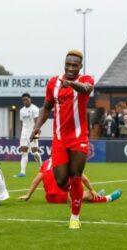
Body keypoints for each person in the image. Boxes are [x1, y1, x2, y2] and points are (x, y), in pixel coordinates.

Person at [30, 49, 94, 229]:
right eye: (68, 64)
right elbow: (46, 107)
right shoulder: (53, 83)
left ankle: (75, 217)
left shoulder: (86, 80)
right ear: (64, 64)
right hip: (59, 139)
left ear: (80, 67)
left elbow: (86, 89)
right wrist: (36, 127)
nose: (71, 68)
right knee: (60, 180)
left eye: (75, 65)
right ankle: (81, 196)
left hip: (78, 137)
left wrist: (70, 84)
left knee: (75, 177)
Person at [18, 159, 122, 204]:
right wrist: (92, 190)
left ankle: (92, 195)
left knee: (77, 189)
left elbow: (36, 180)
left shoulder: (46, 163)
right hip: (63, 197)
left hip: (49, 198)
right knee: (89, 194)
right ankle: (109, 198)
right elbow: (83, 178)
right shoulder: (66, 162)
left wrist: (28, 195)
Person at [14, 93, 42, 177]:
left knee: (35, 152)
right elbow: (22, 123)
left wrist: (36, 132)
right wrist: (22, 133)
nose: (25, 101)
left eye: (26, 99)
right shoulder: (21, 110)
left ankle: (42, 168)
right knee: (23, 152)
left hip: (34, 132)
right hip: (24, 134)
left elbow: (37, 122)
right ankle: (22, 172)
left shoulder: (35, 109)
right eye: (23, 100)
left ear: (30, 99)